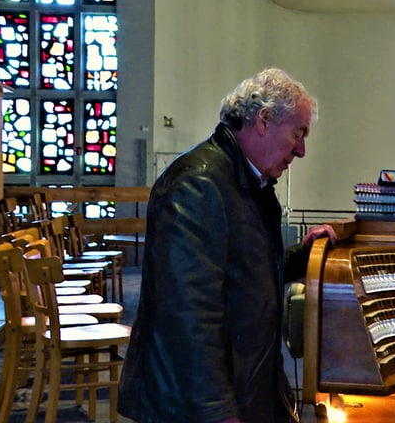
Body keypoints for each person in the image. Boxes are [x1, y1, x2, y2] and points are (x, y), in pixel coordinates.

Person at [118, 68, 337, 423]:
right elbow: (190, 317)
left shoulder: (244, 180)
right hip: (194, 406)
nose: (301, 150)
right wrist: (217, 412)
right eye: (298, 134)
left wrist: (304, 257)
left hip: (245, 387)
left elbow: (243, 274)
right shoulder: (198, 184)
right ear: (264, 120)